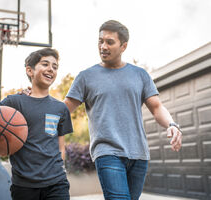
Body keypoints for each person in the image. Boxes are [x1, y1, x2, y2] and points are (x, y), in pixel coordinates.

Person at [20, 20, 182, 200]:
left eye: (109, 42)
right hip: (107, 152)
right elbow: (62, 110)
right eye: (100, 41)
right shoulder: (86, 77)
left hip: (139, 154)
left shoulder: (140, 75)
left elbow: (157, 107)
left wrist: (171, 124)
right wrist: (35, 97)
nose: (103, 46)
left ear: (123, 46)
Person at [0, 48, 73, 200]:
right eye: (45, 64)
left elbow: (60, 146)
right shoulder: (14, 101)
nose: (51, 69)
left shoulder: (60, 108)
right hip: (24, 185)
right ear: (30, 70)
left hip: (57, 183)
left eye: (55, 66)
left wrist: (60, 170)